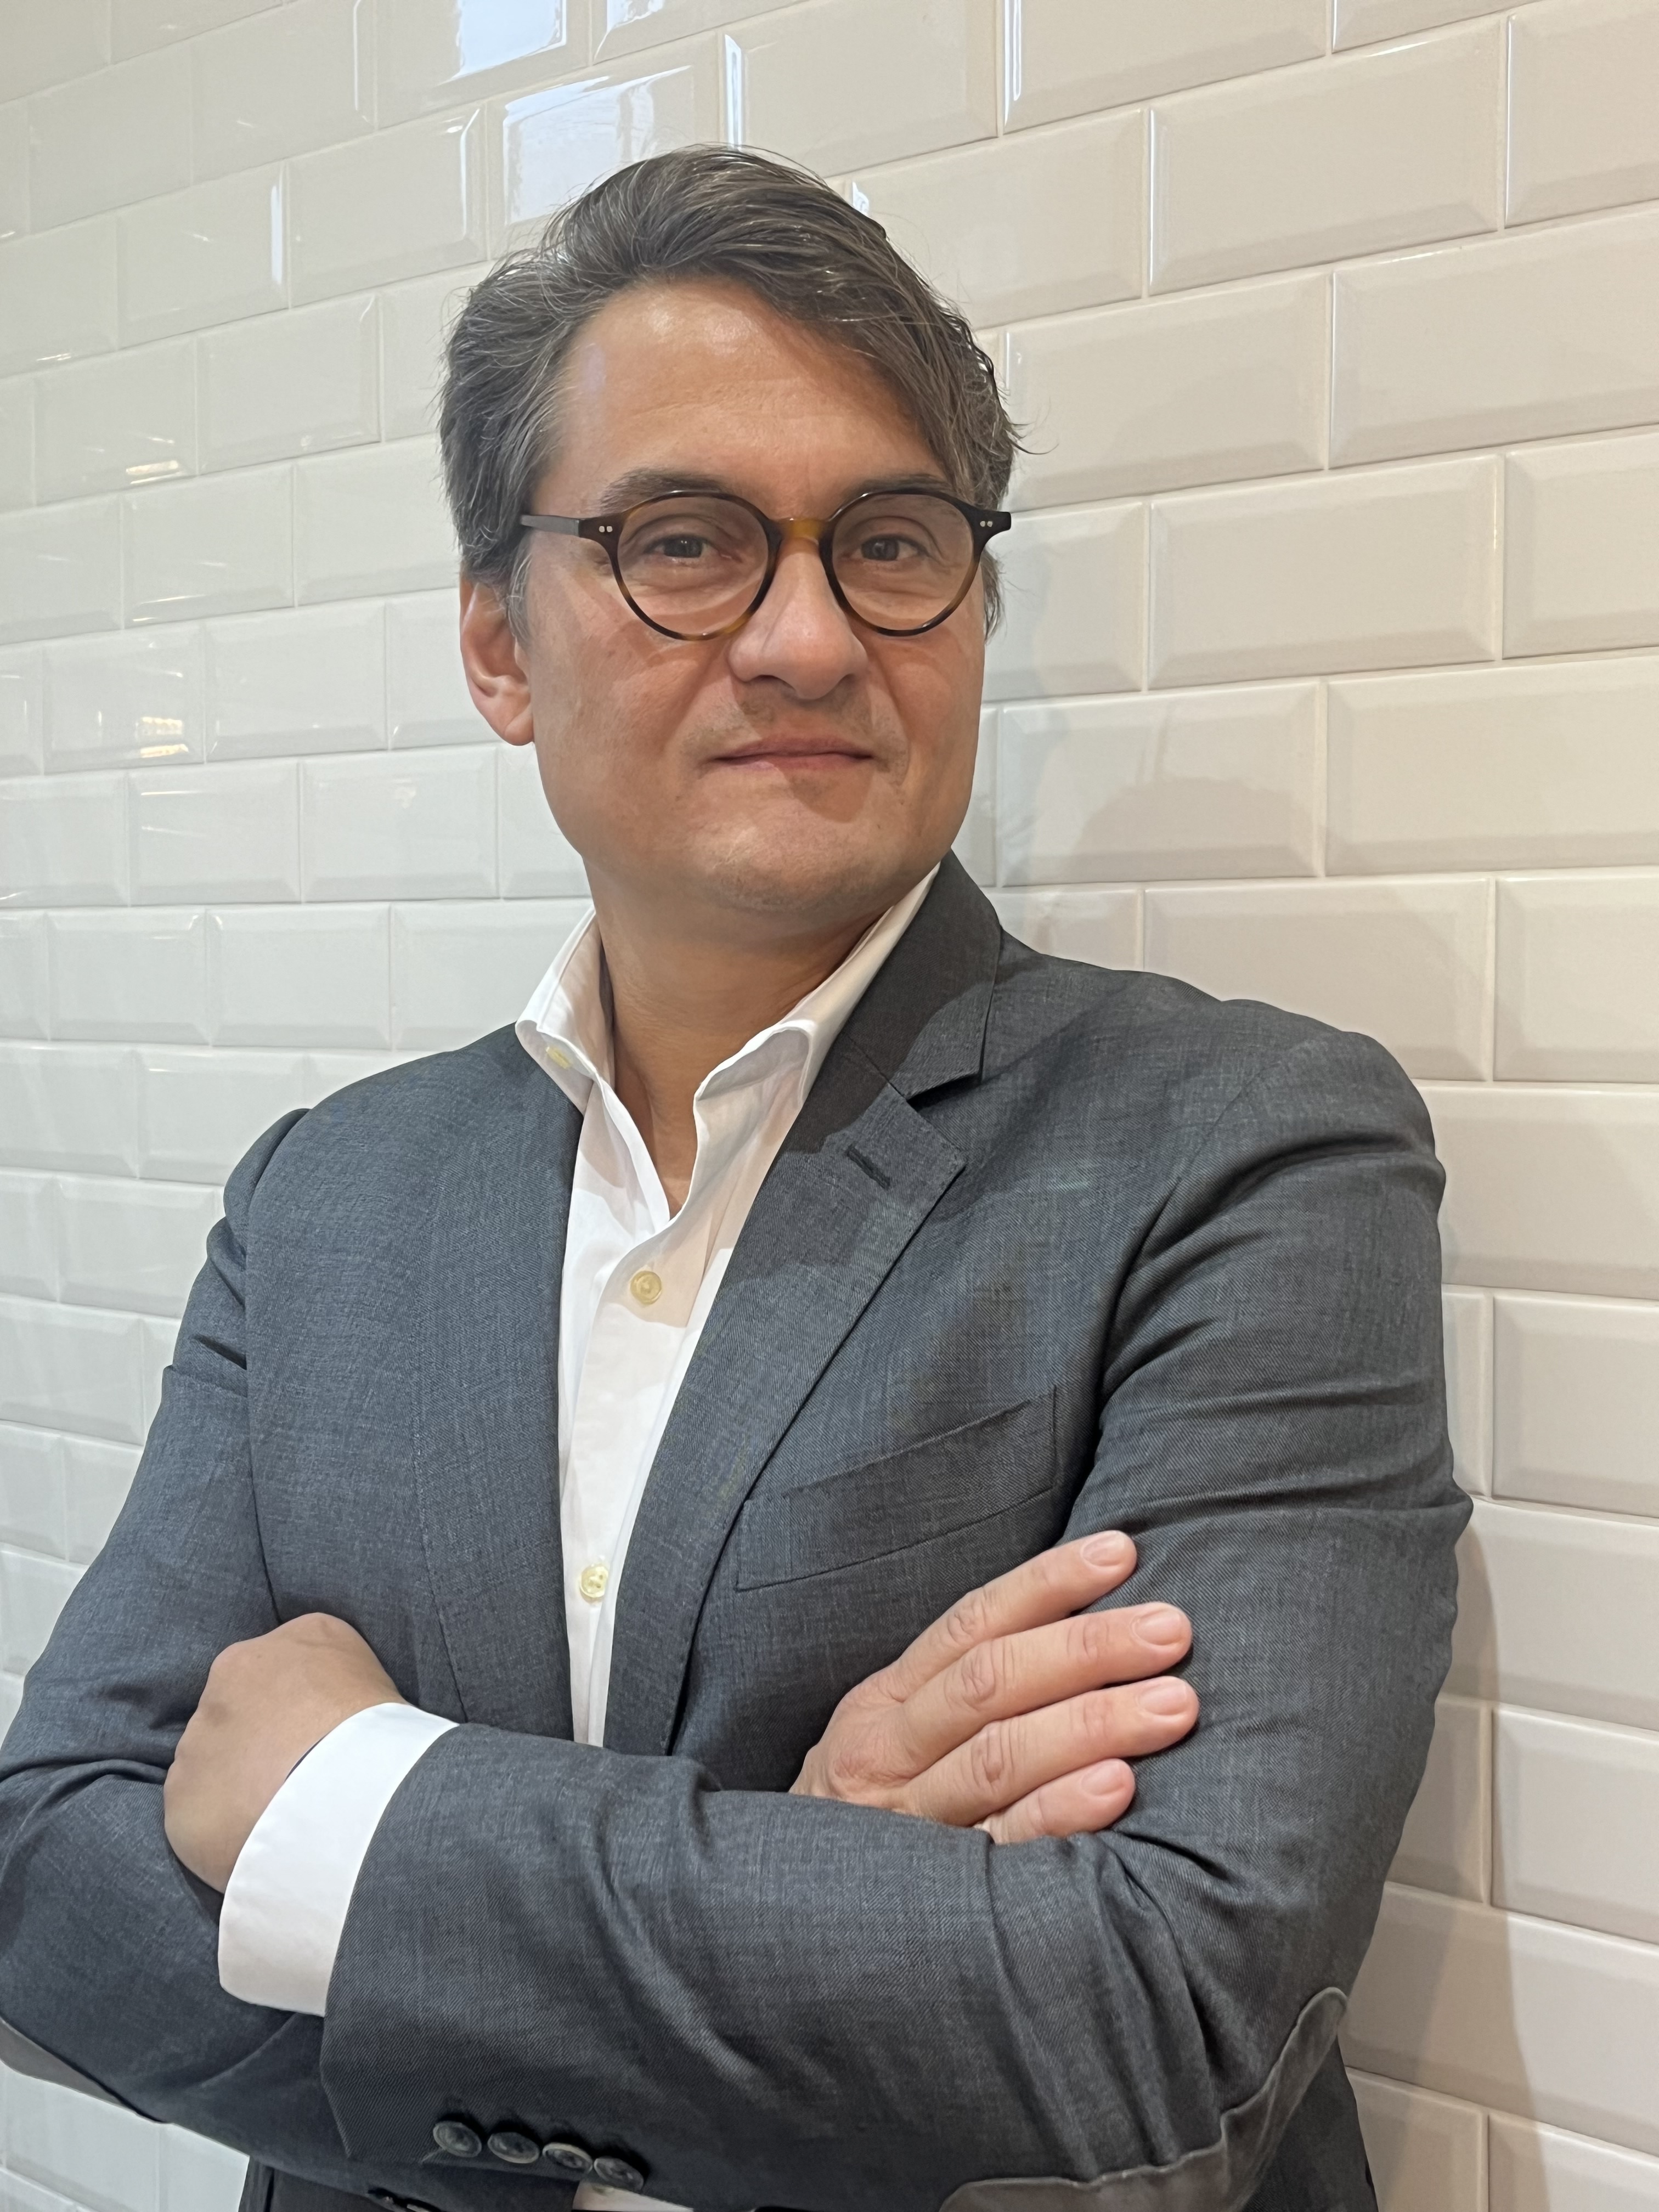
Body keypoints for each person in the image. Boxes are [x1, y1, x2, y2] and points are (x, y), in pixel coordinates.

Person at [0, 148, 1468, 2212]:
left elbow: (1162, 2016)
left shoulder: (1240, 1150)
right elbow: (51, 1892)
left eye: (892, 542)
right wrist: (810, 1876)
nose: (806, 635)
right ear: (499, 647)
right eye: (681, 543)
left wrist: (363, 1811)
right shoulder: (326, 1202)